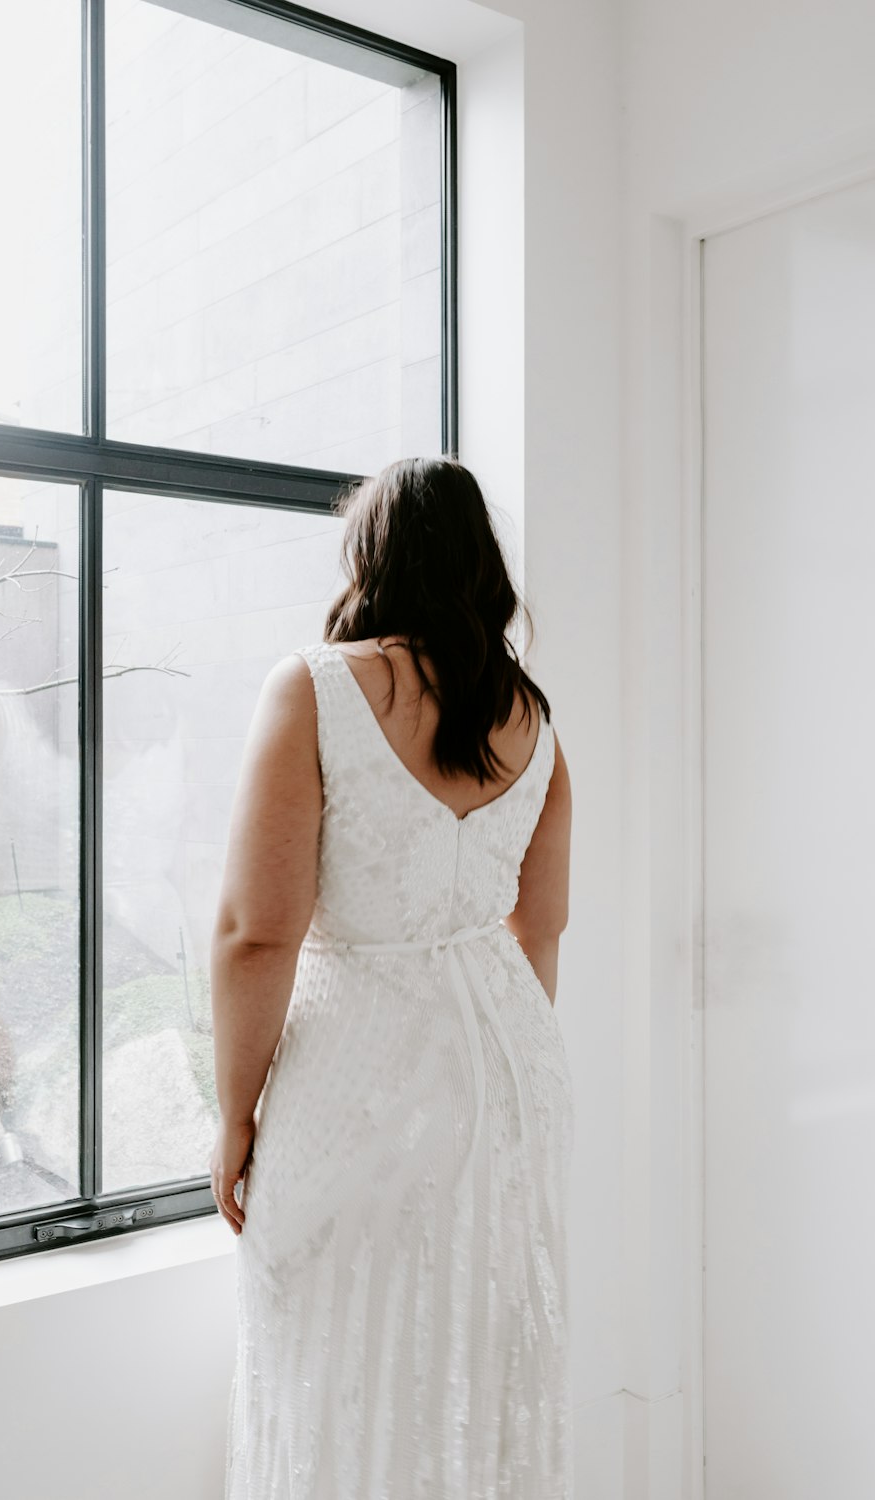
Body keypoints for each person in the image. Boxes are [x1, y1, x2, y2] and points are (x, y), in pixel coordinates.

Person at [210, 456, 574, 1499]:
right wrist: (488, 1087)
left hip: (359, 1074)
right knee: (479, 1356)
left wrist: (235, 1115)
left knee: (334, 1352)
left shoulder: (317, 687)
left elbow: (255, 932)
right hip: (512, 1076)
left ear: (371, 554)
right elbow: (539, 930)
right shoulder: (534, 718)